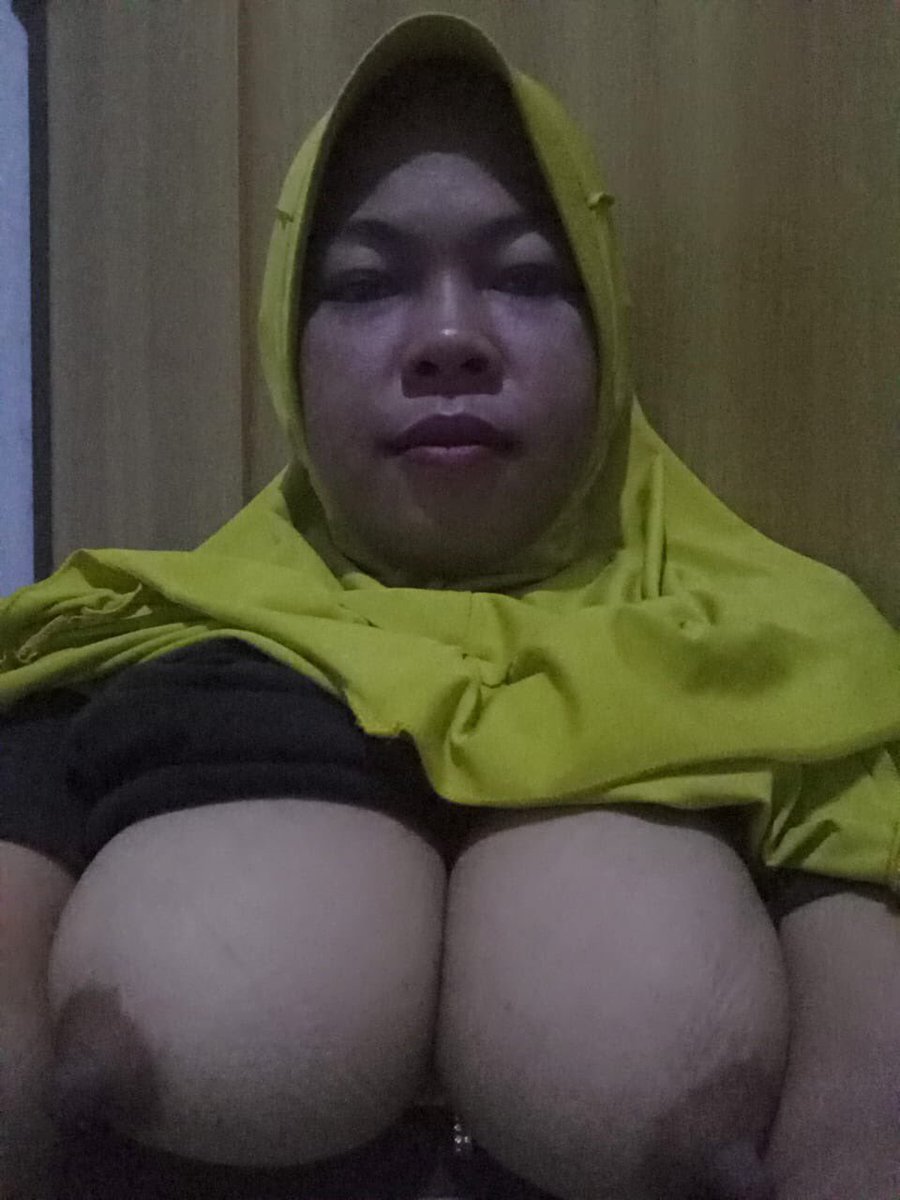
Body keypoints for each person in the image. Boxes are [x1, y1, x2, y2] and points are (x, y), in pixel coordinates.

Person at [2, 12, 900, 1200]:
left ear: (607, 331)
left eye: (524, 277)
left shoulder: (792, 669)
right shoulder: (115, 641)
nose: (447, 340)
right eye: (367, 284)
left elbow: (873, 1106)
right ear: (287, 344)